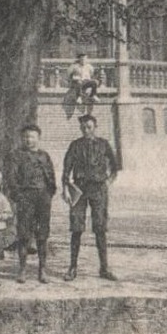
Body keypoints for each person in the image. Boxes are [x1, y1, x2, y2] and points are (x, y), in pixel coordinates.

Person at [62, 113, 120, 282]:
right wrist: (66, 188)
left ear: (95, 127)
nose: (86, 130)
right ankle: (72, 268)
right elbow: (66, 169)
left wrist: (108, 181)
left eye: (89, 127)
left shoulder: (103, 145)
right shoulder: (75, 145)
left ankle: (104, 267)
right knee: (76, 227)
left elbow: (115, 167)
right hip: (78, 189)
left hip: (98, 189)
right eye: (83, 127)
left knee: (100, 228)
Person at [3, 124, 57, 284]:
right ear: (22, 138)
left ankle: (42, 270)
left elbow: (51, 176)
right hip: (25, 197)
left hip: (43, 197)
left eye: (32, 136)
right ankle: (22, 270)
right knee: (24, 234)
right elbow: (11, 178)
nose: (29, 140)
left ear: (38, 138)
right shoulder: (15, 155)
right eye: (26, 136)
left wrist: (48, 194)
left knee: (42, 234)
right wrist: (19, 196)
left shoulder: (45, 156)